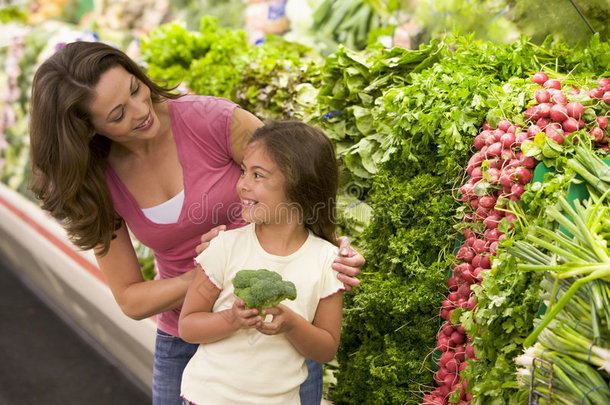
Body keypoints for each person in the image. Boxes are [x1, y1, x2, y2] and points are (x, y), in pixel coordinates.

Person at [27, 40, 364, 405]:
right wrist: (210, 272)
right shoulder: (93, 181)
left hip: (277, 331)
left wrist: (335, 248)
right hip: (187, 332)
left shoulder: (213, 119)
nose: (142, 110)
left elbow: (299, 184)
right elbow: (130, 298)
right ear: (87, 130)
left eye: (136, 89)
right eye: (118, 114)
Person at [179, 120, 344, 404]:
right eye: (244, 171)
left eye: (258, 175)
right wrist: (231, 318)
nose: (242, 184)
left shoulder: (327, 261)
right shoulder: (225, 247)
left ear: (300, 186)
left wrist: (292, 324)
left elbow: (326, 349)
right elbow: (189, 326)